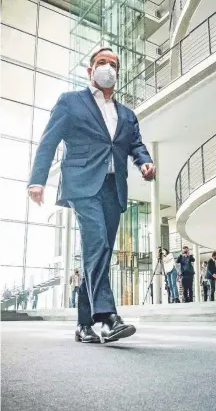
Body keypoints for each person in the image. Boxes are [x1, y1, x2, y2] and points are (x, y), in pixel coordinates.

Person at [28, 47, 156, 344]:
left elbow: (135, 145)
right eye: (101, 63)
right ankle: (108, 318)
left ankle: (83, 324)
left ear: (118, 73)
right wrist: (38, 180)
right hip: (83, 183)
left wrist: (145, 162)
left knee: (99, 253)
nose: (107, 68)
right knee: (96, 242)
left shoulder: (126, 114)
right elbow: (49, 142)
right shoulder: (71, 102)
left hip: (114, 187)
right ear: (90, 70)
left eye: (113, 64)